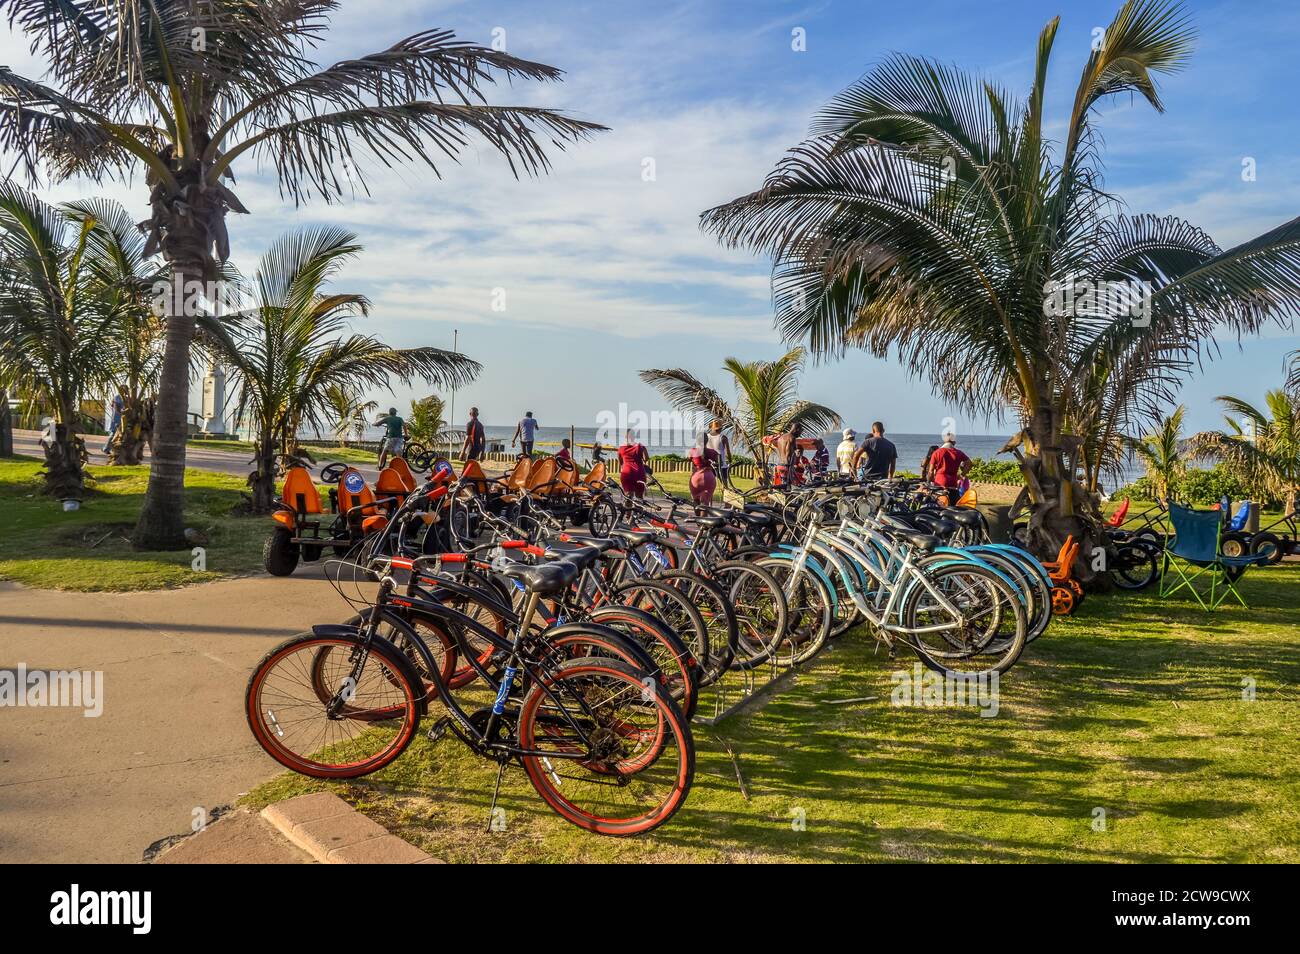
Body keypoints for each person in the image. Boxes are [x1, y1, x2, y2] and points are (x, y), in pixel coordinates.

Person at [688, 431, 719, 504]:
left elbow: (689, 459)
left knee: (696, 502)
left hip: (696, 479)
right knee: (705, 504)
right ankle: (703, 515)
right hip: (709, 478)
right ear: (707, 441)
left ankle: (697, 515)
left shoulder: (693, 451)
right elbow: (717, 464)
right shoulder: (713, 452)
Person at [618, 430, 649, 498]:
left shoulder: (621, 448)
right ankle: (639, 508)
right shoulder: (639, 446)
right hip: (639, 473)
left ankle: (628, 507)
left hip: (627, 473)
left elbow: (621, 463)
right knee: (639, 497)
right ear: (634, 436)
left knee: (628, 496)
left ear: (625, 436)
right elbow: (646, 459)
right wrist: (643, 448)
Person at [706, 420, 731, 486]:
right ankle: (725, 494)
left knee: (709, 484)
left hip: (709, 464)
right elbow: (727, 452)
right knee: (724, 484)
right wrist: (730, 461)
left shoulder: (706, 437)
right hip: (721, 464)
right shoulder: (723, 438)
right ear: (721, 428)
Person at [103, 385, 126, 454]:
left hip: (122, 419)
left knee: (119, 435)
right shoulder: (117, 397)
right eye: (125, 389)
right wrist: (122, 412)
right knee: (113, 434)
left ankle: (115, 450)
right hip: (117, 418)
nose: (126, 391)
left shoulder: (124, 398)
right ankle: (106, 448)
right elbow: (116, 407)